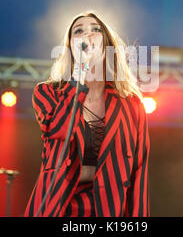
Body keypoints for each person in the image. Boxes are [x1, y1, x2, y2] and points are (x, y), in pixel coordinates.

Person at [25, 12, 150, 217]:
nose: (87, 35)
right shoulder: (47, 93)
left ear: (107, 44)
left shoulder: (132, 103)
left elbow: (139, 170)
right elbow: (59, 130)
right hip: (59, 205)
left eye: (95, 29)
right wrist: (79, 75)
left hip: (110, 209)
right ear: (70, 48)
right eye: (79, 31)